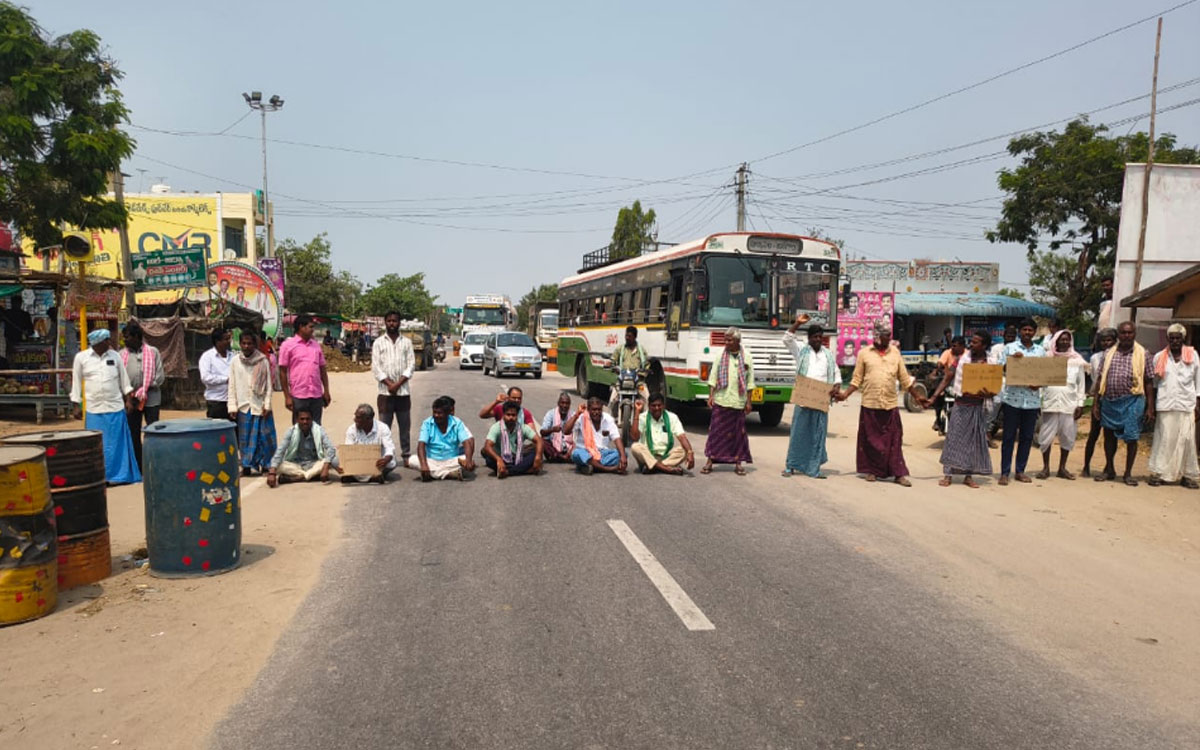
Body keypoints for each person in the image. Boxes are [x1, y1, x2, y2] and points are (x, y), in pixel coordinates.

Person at [833, 319, 923, 486]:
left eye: (889, 335)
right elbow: (857, 379)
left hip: (890, 403)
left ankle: (898, 474)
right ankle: (872, 471)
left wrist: (917, 396)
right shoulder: (864, 353)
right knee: (870, 441)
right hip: (870, 403)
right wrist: (845, 395)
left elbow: (904, 378)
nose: (888, 338)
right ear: (877, 336)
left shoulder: (895, 352)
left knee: (894, 440)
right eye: (885, 335)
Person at [70, 328, 141, 484]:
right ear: (98, 343)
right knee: (98, 445)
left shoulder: (115, 356)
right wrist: (76, 404)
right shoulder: (81, 358)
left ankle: (119, 476)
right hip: (94, 409)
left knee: (116, 445)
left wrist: (129, 400)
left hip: (115, 407)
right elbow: (76, 382)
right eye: (106, 340)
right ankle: (100, 476)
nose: (110, 343)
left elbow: (124, 380)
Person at [1091, 321, 1156, 486]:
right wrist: (1095, 403)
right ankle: (1110, 469)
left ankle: (1128, 473)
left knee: (1132, 437)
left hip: (1133, 400)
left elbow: (1148, 381)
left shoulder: (1144, 354)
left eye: (1130, 333)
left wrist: (1150, 407)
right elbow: (1100, 378)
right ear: (1118, 335)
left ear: (1135, 334)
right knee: (1109, 437)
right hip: (1110, 402)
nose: (1126, 336)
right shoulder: (1109, 353)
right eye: (1123, 333)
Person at [928, 330, 995, 487]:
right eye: (971, 341)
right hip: (961, 405)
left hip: (978, 406)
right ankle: (948, 475)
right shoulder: (960, 360)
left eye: (975, 342)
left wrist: (990, 391)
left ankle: (968, 476)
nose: (971, 344)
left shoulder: (991, 362)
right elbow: (947, 379)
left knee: (973, 442)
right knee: (954, 439)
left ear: (984, 345)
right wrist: (933, 397)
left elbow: (995, 384)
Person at [781, 314, 839, 478]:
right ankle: (790, 466)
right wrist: (797, 324)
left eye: (820, 337)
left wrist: (836, 387)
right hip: (804, 400)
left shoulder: (828, 354)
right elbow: (787, 339)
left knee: (817, 435)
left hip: (820, 401)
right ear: (809, 338)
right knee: (798, 433)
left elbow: (836, 374)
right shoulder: (801, 350)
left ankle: (814, 468)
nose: (818, 340)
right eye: (814, 337)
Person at [1148, 324, 1199, 488]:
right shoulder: (1159, 357)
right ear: (1168, 339)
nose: (1175, 341)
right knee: (1165, 440)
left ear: (1183, 339)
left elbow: (1198, 380)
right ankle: (1160, 473)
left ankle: (1188, 475)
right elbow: (1154, 383)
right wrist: (1151, 406)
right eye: (1172, 338)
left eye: (1178, 338)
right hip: (1166, 404)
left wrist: (1198, 402)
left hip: (1186, 404)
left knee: (1187, 440)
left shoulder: (1193, 355)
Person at [997, 318, 1045, 485]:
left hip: (1032, 401)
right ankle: (1004, 472)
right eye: (1024, 329)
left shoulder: (1040, 351)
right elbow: (1000, 369)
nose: (1027, 333)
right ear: (1019, 331)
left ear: (1034, 332)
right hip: (1012, 399)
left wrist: (1039, 384)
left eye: (1030, 330)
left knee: (1026, 437)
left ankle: (1020, 471)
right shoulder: (1010, 348)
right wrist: (1013, 361)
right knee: (1008, 437)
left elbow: (1045, 374)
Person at [1036, 330, 1087, 480]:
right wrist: (1039, 401)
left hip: (1069, 404)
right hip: (1050, 402)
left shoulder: (1077, 361)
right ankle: (1045, 468)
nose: (1064, 342)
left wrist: (1080, 404)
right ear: (1056, 342)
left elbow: (1081, 384)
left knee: (1067, 436)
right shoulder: (1048, 359)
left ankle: (1062, 468)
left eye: (1067, 340)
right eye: (1061, 340)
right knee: (1046, 436)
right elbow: (1040, 382)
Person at [703, 326, 754, 475]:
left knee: (738, 434)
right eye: (725, 339)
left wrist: (749, 402)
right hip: (721, 400)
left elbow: (750, 381)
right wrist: (711, 395)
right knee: (715, 432)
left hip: (738, 401)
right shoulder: (720, 355)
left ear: (737, 341)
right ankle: (710, 461)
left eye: (729, 340)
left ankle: (738, 463)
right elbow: (713, 376)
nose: (726, 342)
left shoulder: (747, 357)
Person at [227, 330, 277, 476]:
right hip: (244, 406)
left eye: (249, 343)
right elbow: (232, 384)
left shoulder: (263, 360)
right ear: (240, 344)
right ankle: (247, 466)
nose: (246, 346)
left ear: (255, 344)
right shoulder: (235, 361)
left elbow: (268, 384)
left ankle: (266, 465)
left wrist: (267, 404)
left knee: (265, 437)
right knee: (245, 439)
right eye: (244, 343)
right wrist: (232, 405)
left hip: (260, 405)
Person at [118, 320, 164, 471]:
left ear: (137, 337)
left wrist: (145, 388)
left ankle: (154, 464)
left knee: (153, 432)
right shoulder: (121, 355)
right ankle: (138, 466)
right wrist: (130, 394)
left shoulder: (153, 352)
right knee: (133, 433)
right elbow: (119, 378)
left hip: (151, 399)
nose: (125, 340)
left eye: (128, 337)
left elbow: (160, 377)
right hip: (131, 400)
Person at [371, 311, 415, 460]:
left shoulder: (407, 342)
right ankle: (384, 455)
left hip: (403, 392)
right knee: (384, 428)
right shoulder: (378, 342)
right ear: (385, 322)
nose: (391, 323)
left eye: (394, 321)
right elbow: (376, 367)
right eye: (389, 321)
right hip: (385, 393)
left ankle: (406, 455)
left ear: (399, 323)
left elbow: (411, 365)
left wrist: (398, 384)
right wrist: (389, 384)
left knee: (404, 427)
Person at [279, 314, 331, 425]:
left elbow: (322, 369)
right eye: (311, 327)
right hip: (299, 395)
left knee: (316, 429)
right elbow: (282, 371)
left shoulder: (316, 346)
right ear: (301, 327)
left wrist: (326, 391)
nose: (313, 330)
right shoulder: (288, 346)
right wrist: (287, 396)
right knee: (299, 430)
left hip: (316, 395)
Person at [267, 409, 340, 487]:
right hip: (296, 465)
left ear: (312, 420)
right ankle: (310, 476)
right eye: (302, 419)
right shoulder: (291, 431)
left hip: (314, 464)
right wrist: (272, 473)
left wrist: (325, 467)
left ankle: (296, 478)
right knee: (278, 465)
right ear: (297, 420)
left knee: (333, 459)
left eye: (307, 419)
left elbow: (330, 448)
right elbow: (280, 451)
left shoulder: (319, 430)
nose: (305, 422)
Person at [411, 395, 476, 481]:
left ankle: (433, 473)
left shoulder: (457, 423)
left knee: (467, 460)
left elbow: (466, 442)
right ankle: (450, 474)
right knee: (411, 460)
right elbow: (421, 445)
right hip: (431, 460)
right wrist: (423, 464)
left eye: (440, 413)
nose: (436, 415)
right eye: (434, 412)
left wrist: (468, 460)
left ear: (447, 414)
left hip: (451, 460)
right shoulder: (427, 423)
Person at [1081, 327, 1118, 478]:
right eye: (1103, 340)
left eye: (1109, 340)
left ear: (1115, 341)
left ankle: (1109, 466)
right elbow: (1095, 379)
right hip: (1099, 398)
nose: (1106, 343)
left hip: (1113, 399)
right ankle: (1086, 466)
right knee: (1093, 434)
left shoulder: (1119, 356)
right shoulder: (1095, 358)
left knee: (1110, 435)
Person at [629, 393, 694, 475]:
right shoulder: (642, 417)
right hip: (647, 455)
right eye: (653, 405)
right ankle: (666, 469)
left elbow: (682, 437)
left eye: (659, 405)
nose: (657, 408)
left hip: (665, 456)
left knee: (684, 450)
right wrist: (637, 411)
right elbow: (634, 437)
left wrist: (690, 452)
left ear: (663, 406)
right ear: (649, 406)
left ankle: (654, 467)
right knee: (635, 447)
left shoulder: (672, 417)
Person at [565, 396, 627, 474]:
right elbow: (566, 431)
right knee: (576, 454)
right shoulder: (581, 417)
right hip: (586, 451)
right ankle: (606, 469)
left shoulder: (608, 419)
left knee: (623, 453)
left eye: (599, 409)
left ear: (602, 409)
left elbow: (616, 438)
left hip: (603, 453)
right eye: (594, 409)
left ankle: (591, 466)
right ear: (588, 410)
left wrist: (623, 456)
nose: (596, 412)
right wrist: (577, 414)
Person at [482, 401, 544, 478]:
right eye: (508, 415)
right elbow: (487, 446)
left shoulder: (522, 427)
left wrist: (538, 457)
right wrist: (498, 459)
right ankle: (524, 470)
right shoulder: (496, 427)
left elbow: (539, 440)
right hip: (502, 457)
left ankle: (507, 471)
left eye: (513, 415)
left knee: (536, 453)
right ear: (503, 415)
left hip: (517, 458)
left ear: (517, 416)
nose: (511, 417)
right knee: (489, 460)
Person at [343, 403, 397, 483]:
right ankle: (372, 478)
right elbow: (348, 450)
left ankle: (358, 477)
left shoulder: (383, 428)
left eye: (358, 418)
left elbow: (389, 447)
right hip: (358, 463)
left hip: (377, 464)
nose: (354, 420)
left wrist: (385, 459)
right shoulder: (352, 429)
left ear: (368, 419)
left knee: (391, 463)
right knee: (336, 460)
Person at [609, 325, 650, 411]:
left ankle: (646, 421)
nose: (627, 338)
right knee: (612, 399)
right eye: (626, 336)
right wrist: (611, 365)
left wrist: (643, 373)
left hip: (637, 381)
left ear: (635, 337)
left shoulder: (641, 350)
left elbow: (647, 364)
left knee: (647, 398)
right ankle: (611, 419)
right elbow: (613, 359)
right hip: (622, 380)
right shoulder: (621, 349)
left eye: (629, 336)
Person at [198, 327, 235, 421]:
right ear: (217, 341)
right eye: (225, 339)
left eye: (229, 339)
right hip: (216, 401)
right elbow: (205, 377)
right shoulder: (207, 357)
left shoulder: (233, 356)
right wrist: (226, 379)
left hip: (232, 401)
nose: (228, 341)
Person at [933, 335, 965, 433]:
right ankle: (938, 418)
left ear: (962, 346)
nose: (953, 348)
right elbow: (941, 363)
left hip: (964, 385)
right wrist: (938, 367)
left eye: (955, 346)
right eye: (952, 345)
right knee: (938, 395)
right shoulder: (947, 353)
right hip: (949, 383)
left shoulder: (967, 355)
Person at [540, 391, 575, 462]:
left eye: (567, 403)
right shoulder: (551, 414)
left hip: (570, 448)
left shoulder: (573, 415)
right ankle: (561, 457)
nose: (564, 406)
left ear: (569, 405)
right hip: (554, 448)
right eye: (562, 403)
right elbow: (542, 432)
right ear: (558, 403)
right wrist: (552, 430)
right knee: (541, 441)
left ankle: (566, 456)